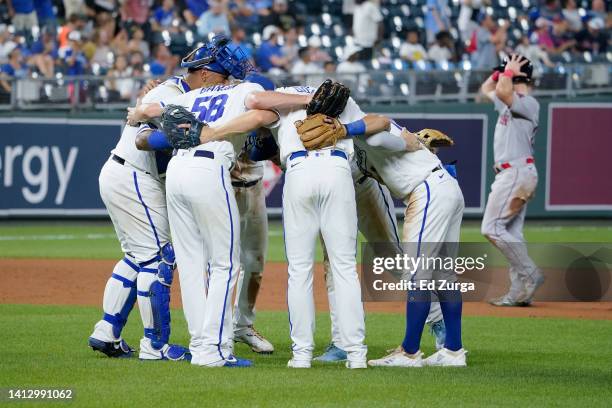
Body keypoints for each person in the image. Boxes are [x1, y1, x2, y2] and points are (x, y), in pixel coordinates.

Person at [126, 36, 309, 367]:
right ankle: (215, 350)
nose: (190, 76)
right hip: (210, 169)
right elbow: (263, 111)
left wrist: (138, 114)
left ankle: (200, 344)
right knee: (226, 264)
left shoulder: (190, 97)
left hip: (178, 171)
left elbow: (148, 123)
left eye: (194, 70)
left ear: (210, 72)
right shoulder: (242, 91)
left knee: (193, 265)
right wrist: (309, 97)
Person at [88, 63, 203, 361]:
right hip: (136, 175)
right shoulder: (172, 93)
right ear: (203, 74)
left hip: (119, 171)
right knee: (159, 258)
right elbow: (156, 129)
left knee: (136, 257)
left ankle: (107, 330)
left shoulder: (170, 89)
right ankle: (155, 346)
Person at [480, 54, 544, 307]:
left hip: (516, 173)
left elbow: (505, 92)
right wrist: (500, 73)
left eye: (506, 74)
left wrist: (508, 73)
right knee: (511, 232)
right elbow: (486, 89)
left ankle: (531, 274)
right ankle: (518, 292)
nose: (500, 78)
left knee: (491, 228)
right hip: (516, 174)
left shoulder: (528, 103)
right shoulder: (510, 102)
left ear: (519, 76)